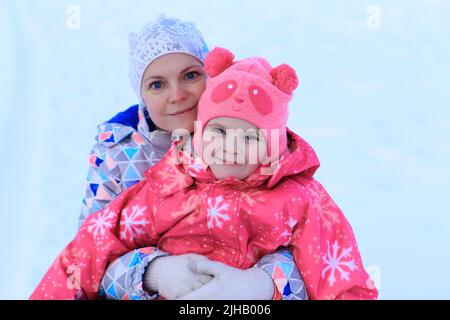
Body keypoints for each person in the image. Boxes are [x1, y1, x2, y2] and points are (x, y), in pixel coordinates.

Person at [30, 47, 378, 300]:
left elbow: (340, 276)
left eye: (251, 137)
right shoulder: (169, 182)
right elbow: (93, 243)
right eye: (219, 131)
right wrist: (155, 273)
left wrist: (263, 285)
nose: (232, 146)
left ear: (273, 144)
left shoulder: (299, 198)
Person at [77, 15, 304, 300]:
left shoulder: (253, 142)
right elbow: (88, 258)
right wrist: (154, 273)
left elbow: (309, 251)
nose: (178, 94)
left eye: (190, 75)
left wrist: (259, 285)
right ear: (141, 95)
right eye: (157, 85)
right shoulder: (116, 156)